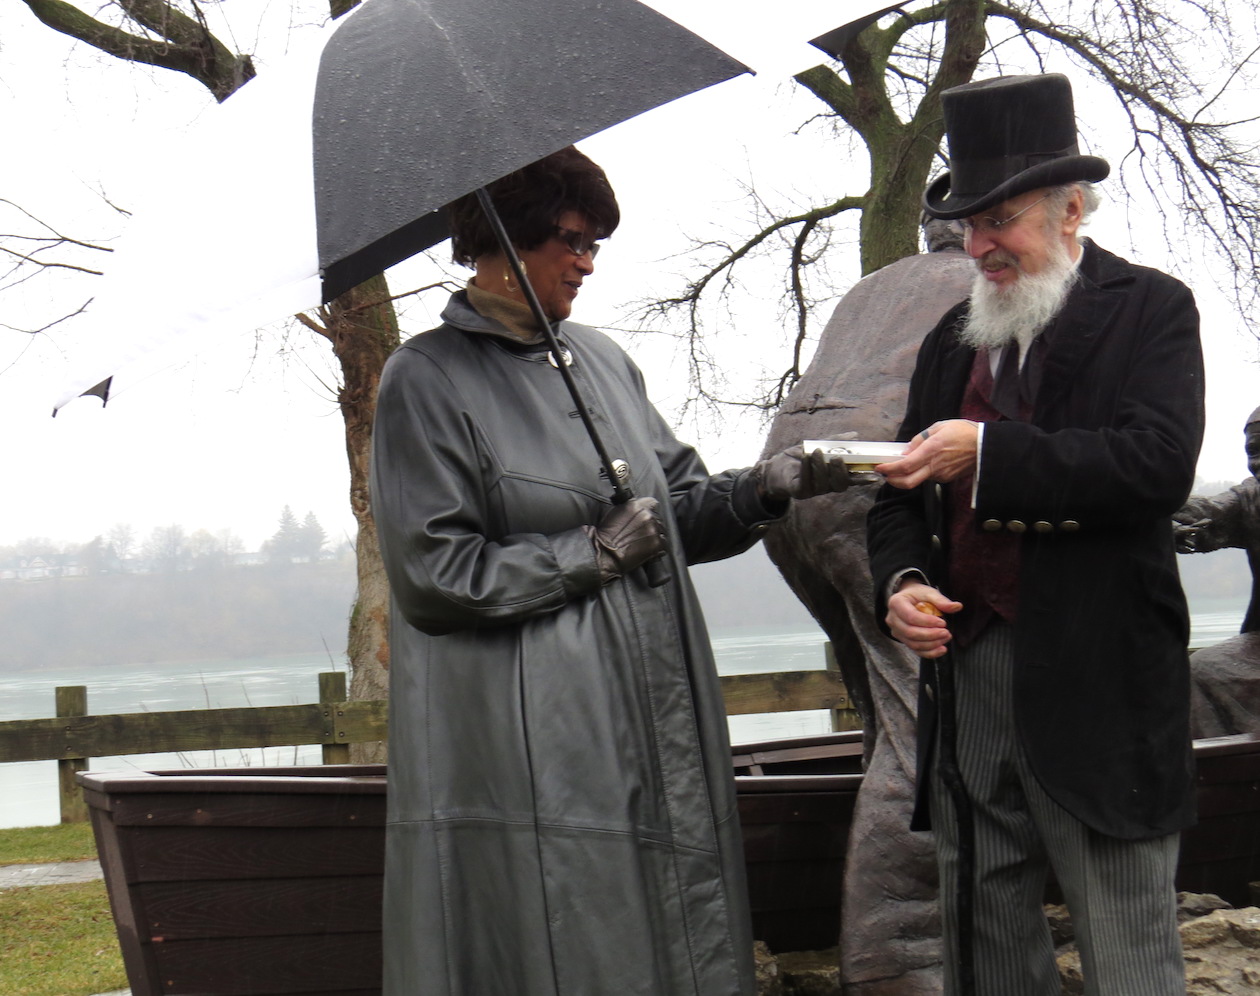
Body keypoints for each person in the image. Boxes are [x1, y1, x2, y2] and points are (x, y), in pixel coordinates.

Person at [370, 146, 852, 996]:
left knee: (677, 924)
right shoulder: (426, 379)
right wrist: (587, 556)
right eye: (572, 239)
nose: (588, 261)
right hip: (539, 733)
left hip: (657, 703)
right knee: (576, 932)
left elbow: (675, 511)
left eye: (597, 243)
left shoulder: (599, 360)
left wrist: (763, 491)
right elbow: (431, 573)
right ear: (508, 240)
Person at [866, 74, 1204, 996]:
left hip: (1101, 686)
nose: (980, 248)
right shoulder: (950, 340)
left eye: (1000, 222)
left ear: (1071, 209)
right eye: (969, 226)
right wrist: (899, 584)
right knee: (983, 941)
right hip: (966, 677)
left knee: (1128, 952)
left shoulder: (1152, 311)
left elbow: (1155, 465)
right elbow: (897, 495)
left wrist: (991, 454)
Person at [1174, 407, 1260, 737]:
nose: (1258, 462)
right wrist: (1149, 506)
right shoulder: (1252, 498)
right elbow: (1204, 513)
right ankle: (1226, 776)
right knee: (1200, 670)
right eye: (1253, 452)